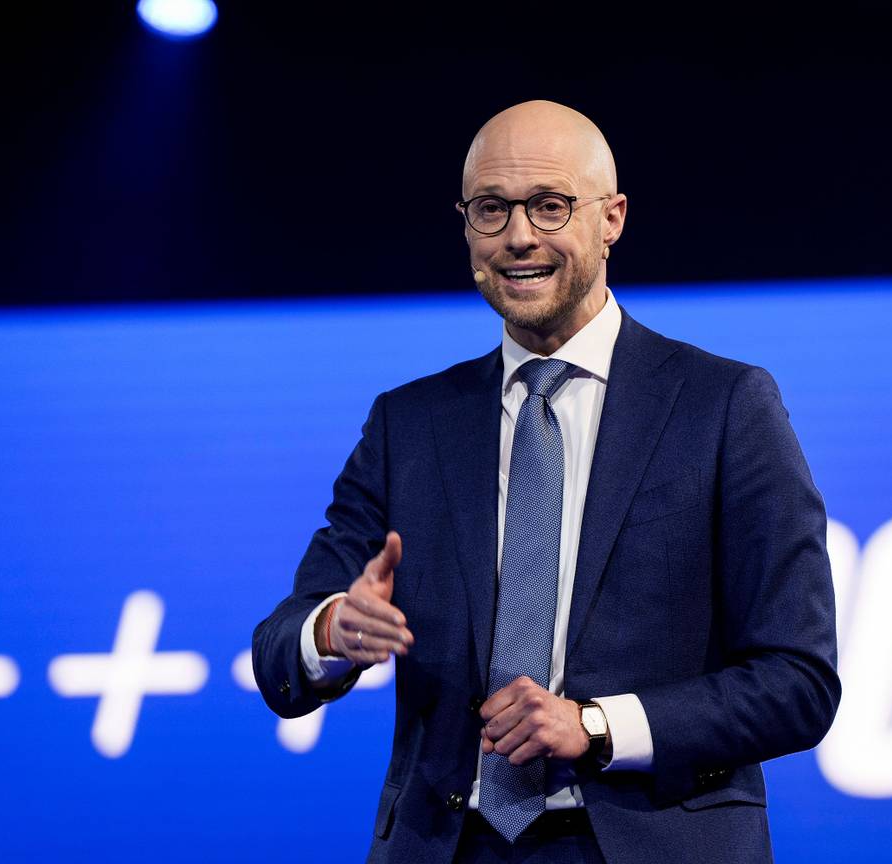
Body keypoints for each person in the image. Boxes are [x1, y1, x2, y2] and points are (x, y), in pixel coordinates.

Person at [252, 99, 840, 864]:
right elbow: (277, 654)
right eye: (491, 210)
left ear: (612, 218)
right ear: (466, 227)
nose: (519, 236)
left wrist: (595, 726)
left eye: (550, 206)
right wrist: (332, 629)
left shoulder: (724, 406)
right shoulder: (410, 424)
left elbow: (798, 681)